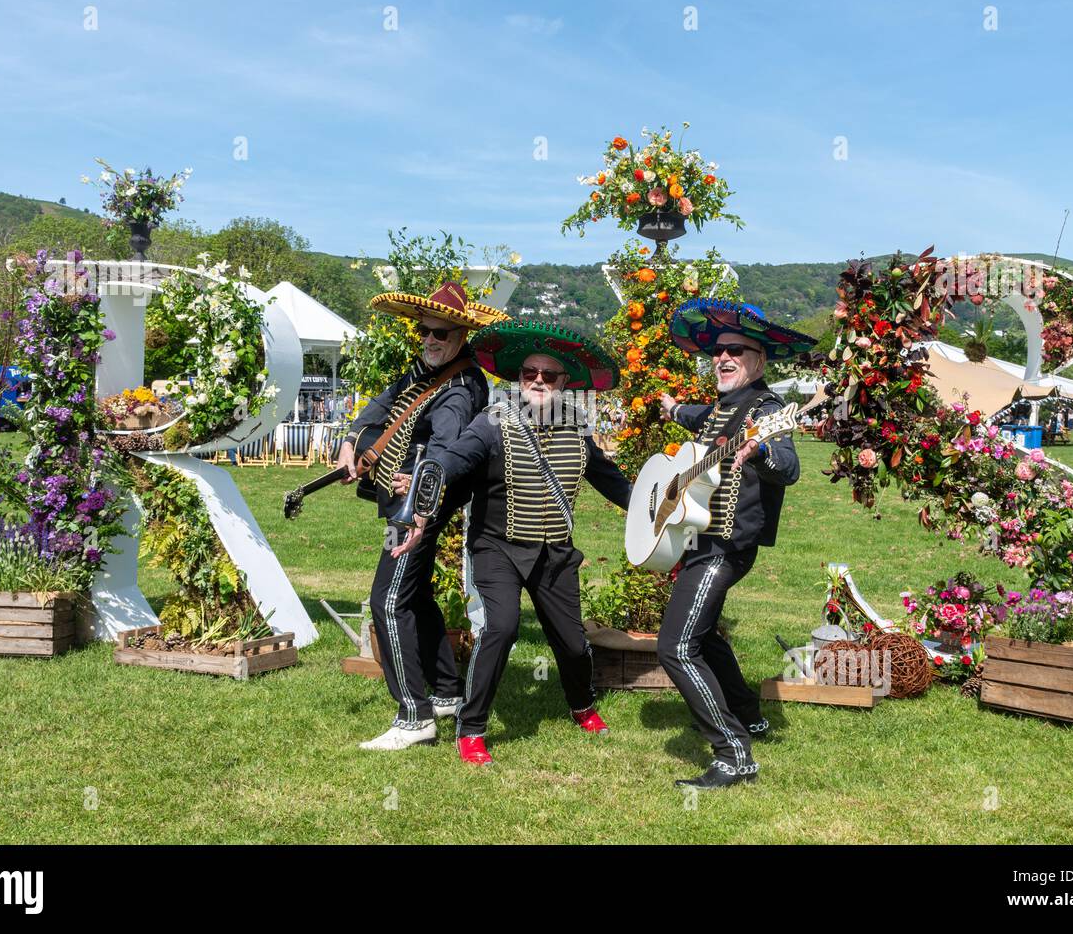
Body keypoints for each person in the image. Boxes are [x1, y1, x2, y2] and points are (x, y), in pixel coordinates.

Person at [393, 321, 631, 766]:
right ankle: (473, 727)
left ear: (565, 383)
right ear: (518, 380)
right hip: (497, 547)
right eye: (529, 373)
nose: (538, 380)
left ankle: (582, 705)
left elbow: (613, 483)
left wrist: (655, 510)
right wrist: (427, 488)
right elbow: (454, 456)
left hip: (555, 553)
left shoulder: (577, 430)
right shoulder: (491, 423)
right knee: (500, 628)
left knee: (574, 643)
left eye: (549, 375)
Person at [651, 297, 815, 790]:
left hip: (725, 546)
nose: (722, 358)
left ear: (759, 361)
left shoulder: (764, 410)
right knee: (704, 636)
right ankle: (749, 712)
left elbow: (789, 468)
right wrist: (673, 408)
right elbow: (701, 415)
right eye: (717, 352)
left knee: (676, 647)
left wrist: (760, 449)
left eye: (736, 352)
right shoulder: (723, 406)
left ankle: (733, 752)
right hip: (698, 540)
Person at [337, 281, 507, 751]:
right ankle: (448, 692)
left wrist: (418, 499)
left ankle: (414, 715)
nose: (430, 340)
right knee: (416, 595)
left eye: (441, 334)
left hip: (419, 509)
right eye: (425, 333)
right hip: (409, 501)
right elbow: (383, 402)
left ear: (461, 337)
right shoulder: (424, 368)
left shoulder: (461, 387)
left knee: (387, 601)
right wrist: (352, 438)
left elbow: (446, 446)